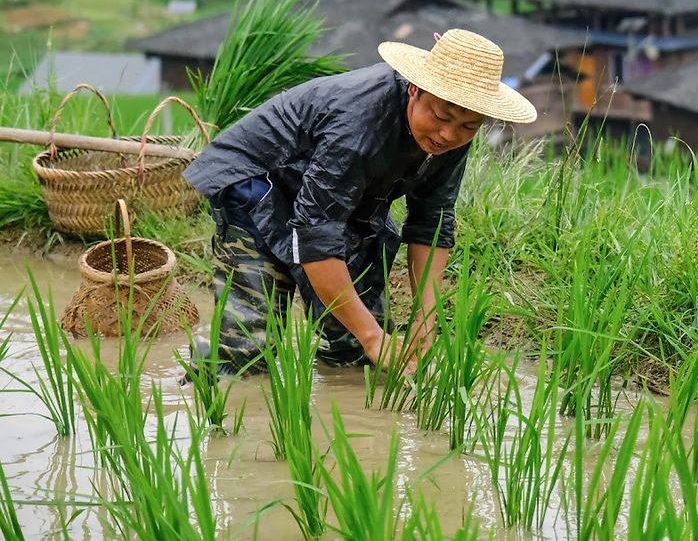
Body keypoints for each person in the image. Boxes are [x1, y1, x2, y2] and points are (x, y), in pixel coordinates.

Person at [182, 29, 537, 374]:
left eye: (468, 127)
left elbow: (431, 221)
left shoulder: (451, 137)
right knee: (249, 348)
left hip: (343, 195)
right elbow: (316, 235)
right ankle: (215, 387)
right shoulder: (359, 119)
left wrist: (425, 317)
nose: (448, 134)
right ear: (415, 88)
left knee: (356, 351)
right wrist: (372, 337)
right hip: (260, 179)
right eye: (441, 117)